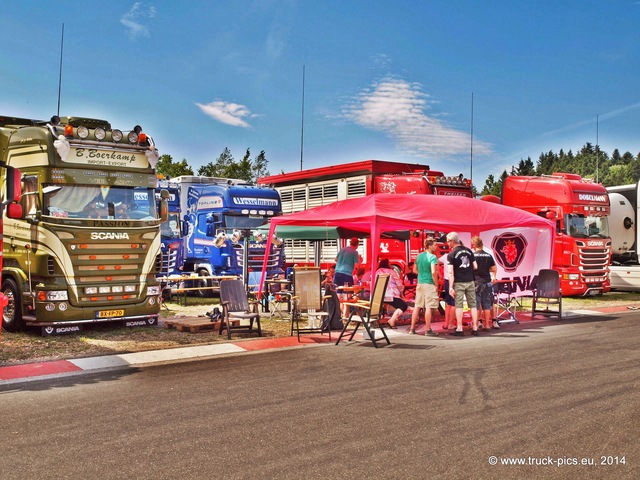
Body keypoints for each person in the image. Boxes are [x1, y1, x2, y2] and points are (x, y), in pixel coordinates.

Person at [447, 232, 479, 336]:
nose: (447, 244)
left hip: (459, 282)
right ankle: (475, 327)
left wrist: (450, 287)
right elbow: (475, 266)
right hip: (470, 281)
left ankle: (460, 328)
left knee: (459, 305)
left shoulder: (451, 254)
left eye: (448, 241)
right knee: (473, 305)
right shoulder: (469, 251)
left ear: (452, 241)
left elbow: (451, 272)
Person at [410, 238, 439, 336]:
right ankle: (428, 329)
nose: (436, 247)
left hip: (420, 283)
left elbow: (414, 270)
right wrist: (436, 284)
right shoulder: (433, 257)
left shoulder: (418, 256)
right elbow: (434, 272)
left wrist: (421, 273)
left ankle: (412, 328)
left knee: (417, 306)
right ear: (430, 246)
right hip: (429, 283)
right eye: (435, 245)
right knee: (429, 307)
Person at [471, 236, 499, 331]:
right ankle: (487, 325)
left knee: (476, 305)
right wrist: (487, 269)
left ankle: (476, 324)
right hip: (487, 282)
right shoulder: (488, 255)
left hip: (476, 282)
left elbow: (470, 269)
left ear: (474, 245)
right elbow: (494, 269)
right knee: (487, 305)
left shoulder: (473, 256)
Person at [375, 258, 408, 329]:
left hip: (380, 295)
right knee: (403, 306)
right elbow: (399, 284)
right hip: (391, 295)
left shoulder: (377, 271)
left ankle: (390, 318)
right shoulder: (392, 272)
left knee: (397, 305)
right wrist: (402, 293)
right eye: (389, 263)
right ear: (387, 264)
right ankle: (392, 320)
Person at [439, 251, 456, 329]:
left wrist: (439, 273)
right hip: (454, 280)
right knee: (454, 303)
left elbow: (435, 262)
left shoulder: (446, 255)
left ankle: (446, 323)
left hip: (446, 280)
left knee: (448, 303)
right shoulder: (457, 255)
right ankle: (451, 324)